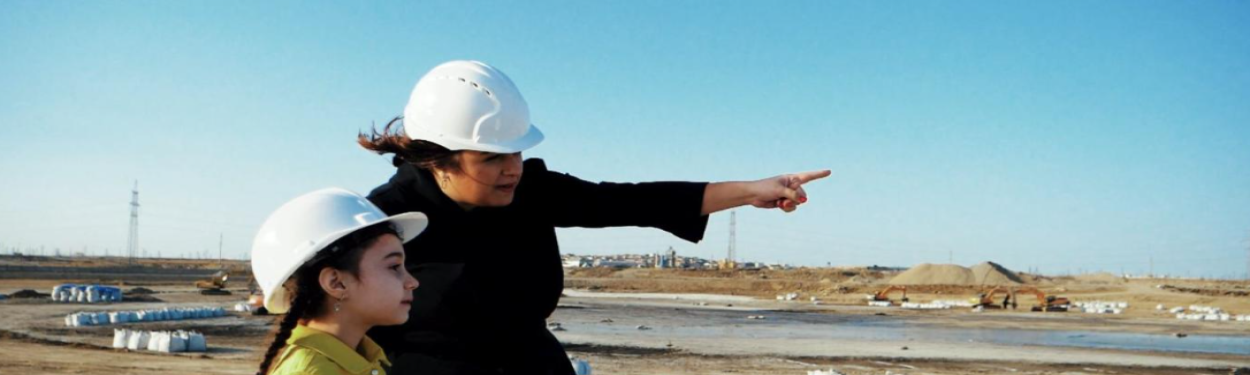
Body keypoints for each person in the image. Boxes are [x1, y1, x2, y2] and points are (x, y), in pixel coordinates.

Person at [359, 60, 830, 375]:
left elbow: (632, 201)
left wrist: (753, 190)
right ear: (436, 159)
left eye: (516, 152)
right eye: (491, 158)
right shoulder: (382, 218)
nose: (512, 168)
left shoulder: (530, 191)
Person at [251, 188, 428, 375]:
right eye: (394, 267)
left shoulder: (358, 356)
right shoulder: (312, 371)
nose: (412, 282)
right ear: (336, 283)